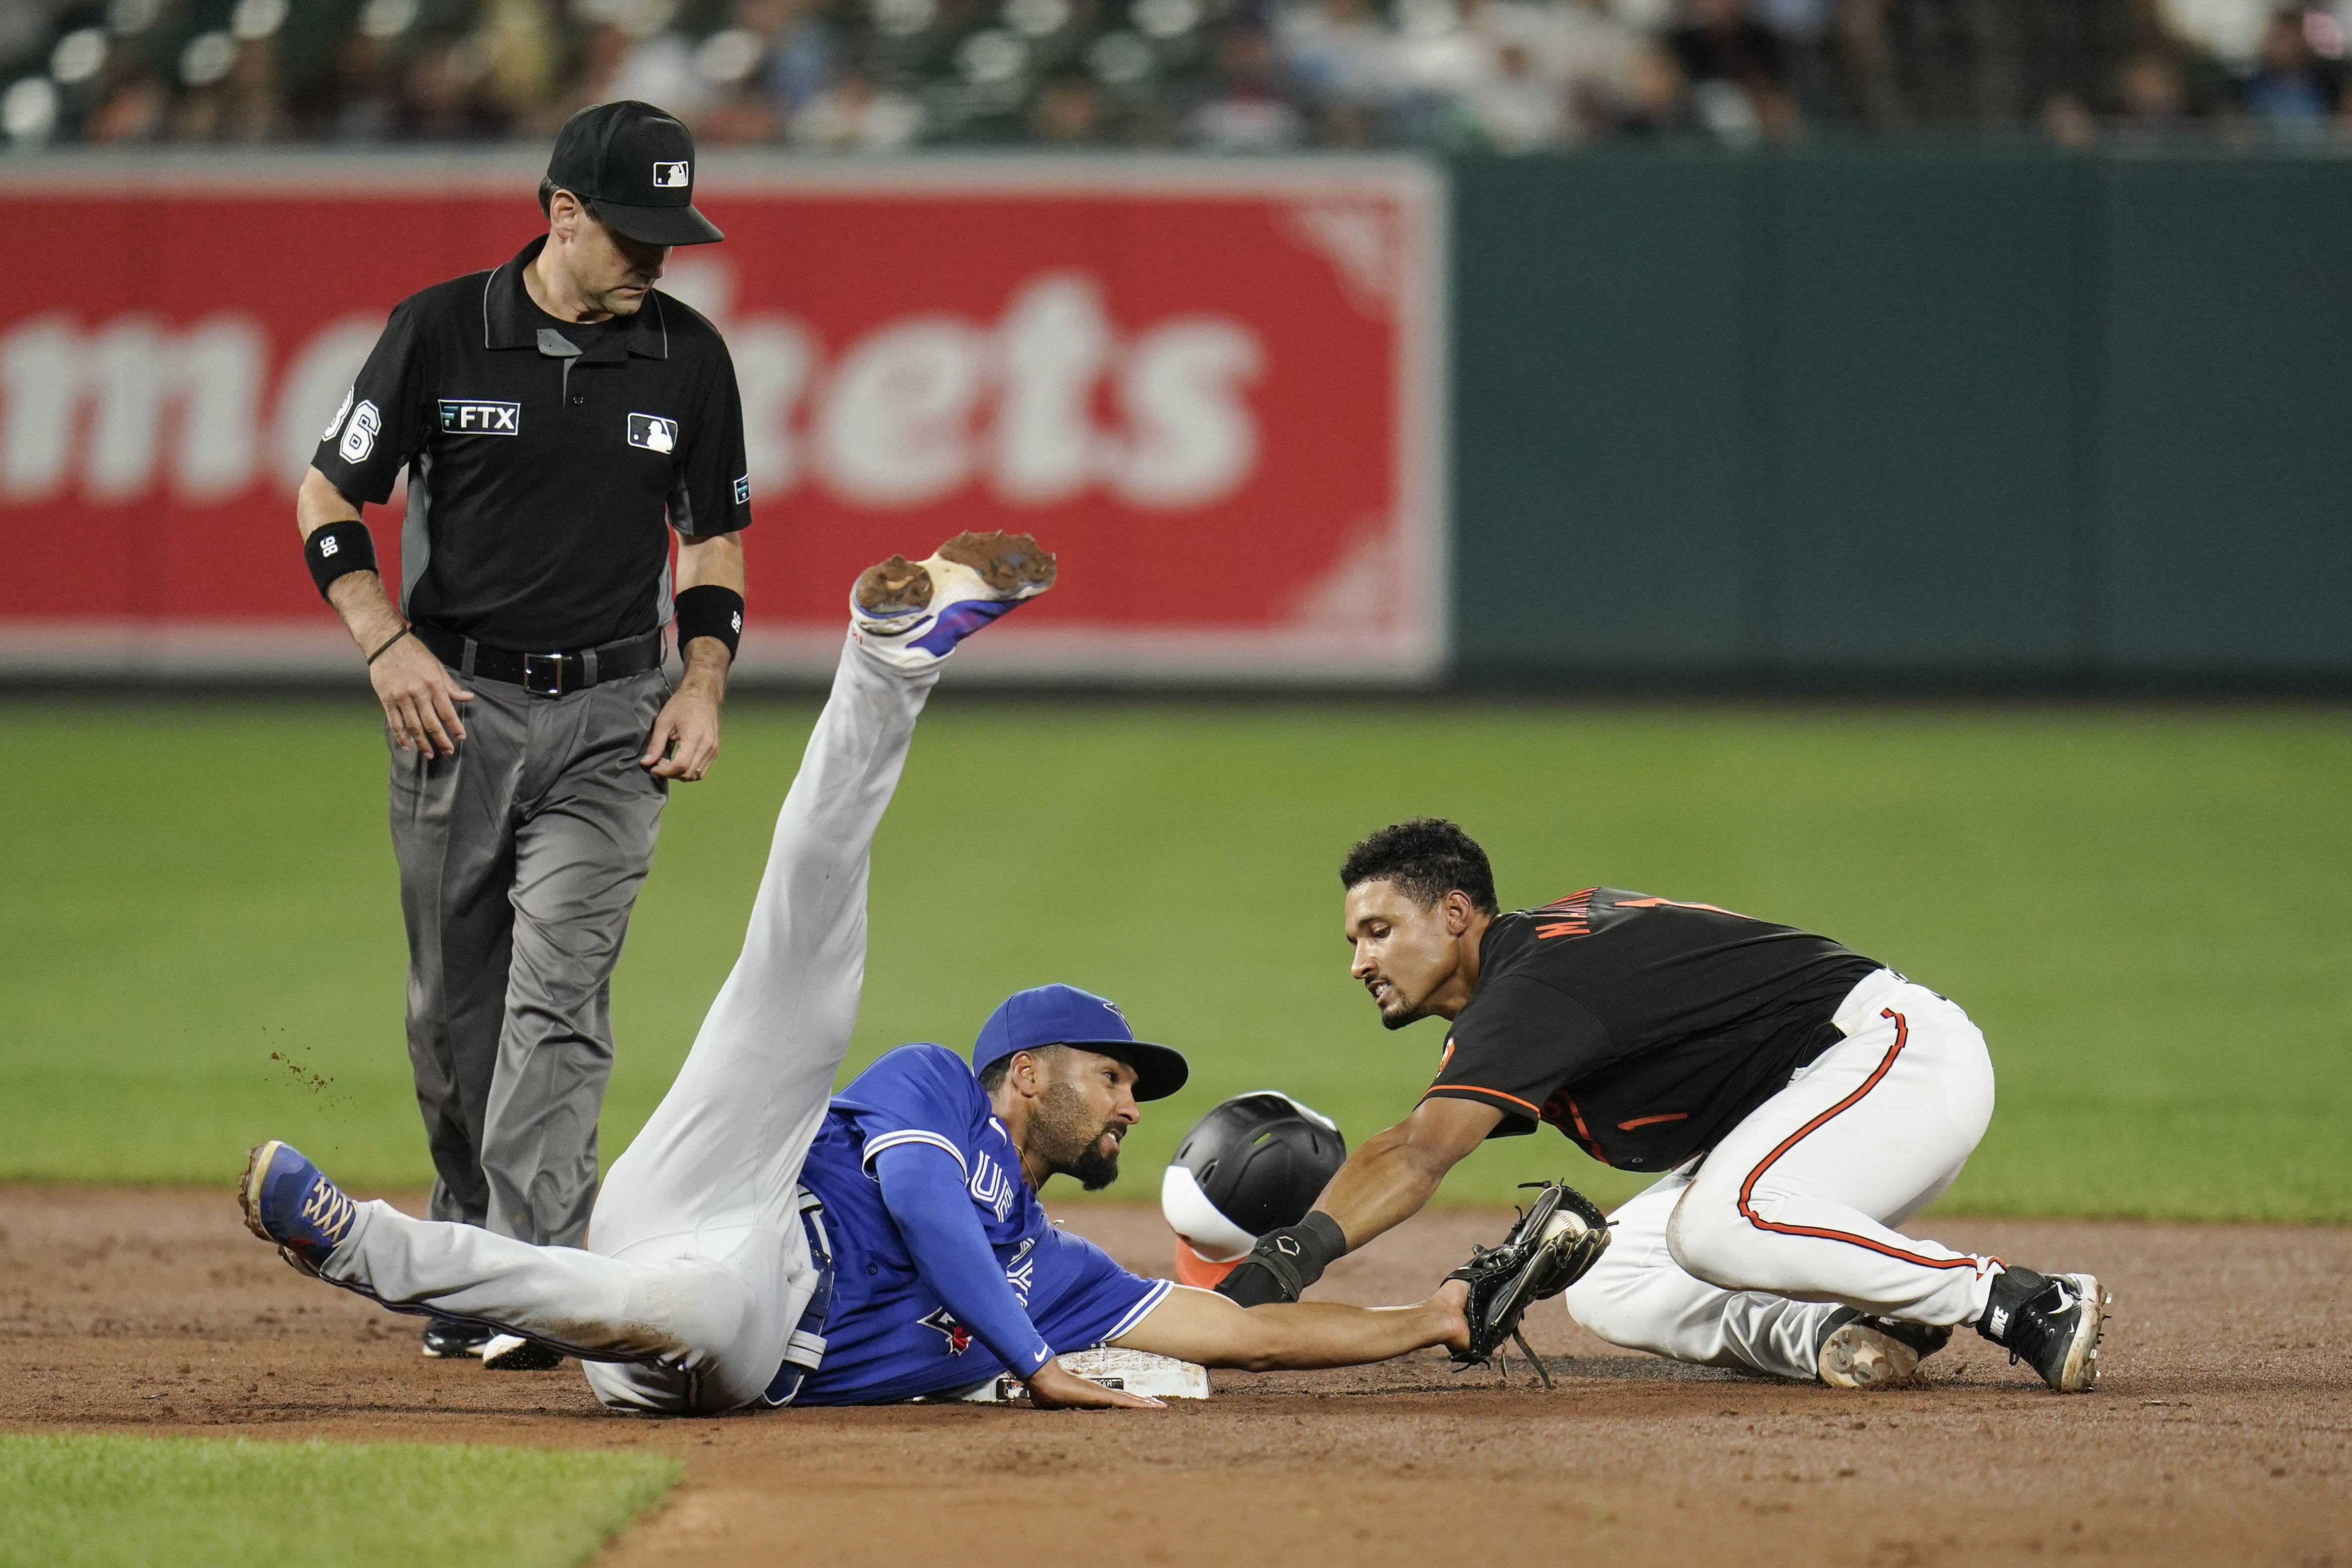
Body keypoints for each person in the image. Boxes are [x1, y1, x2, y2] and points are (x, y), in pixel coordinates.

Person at [240, 539, 1470, 1413]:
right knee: (807, 959)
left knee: (693, 1309)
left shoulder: (1060, 1266)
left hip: (732, 1329)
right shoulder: (936, 1089)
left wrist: (1421, 1320)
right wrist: (1029, 1359)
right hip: (740, 1180)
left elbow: (1238, 1335)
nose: (1131, 1104)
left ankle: (362, 1244)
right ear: (1024, 1074)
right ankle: (889, 663)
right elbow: (936, 1218)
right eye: (1111, 1077)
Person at [295, 100, 752, 1365]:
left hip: (616, 718)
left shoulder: (689, 357)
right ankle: (466, 1237)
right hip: (459, 710)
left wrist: (702, 679)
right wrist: (386, 643)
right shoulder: (441, 330)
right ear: (561, 214)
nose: (658, 255)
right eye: (633, 229)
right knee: (458, 1015)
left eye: (673, 230)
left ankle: (533, 1278)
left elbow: (712, 537)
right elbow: (332, 493)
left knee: (561, 996)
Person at [1214, 817, 2110, 1395]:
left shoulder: (1531, 988)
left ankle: (2021, 1300)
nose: (1359, 961)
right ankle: (1840, 1328)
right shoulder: (1529, 967)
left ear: (1455, 914)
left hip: (1892, 1061)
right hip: (1817, 1104)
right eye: (1352, 939)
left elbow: (1418, 1151)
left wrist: (1280, 1265)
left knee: (1717, 1226)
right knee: (1611, 1285)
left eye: (1378, 931)